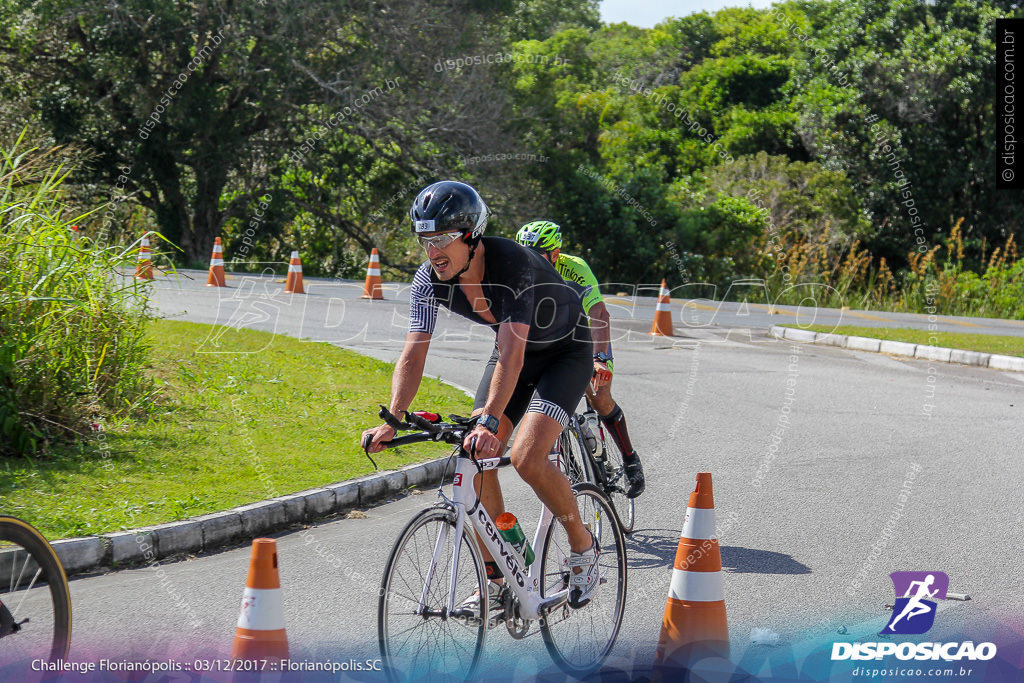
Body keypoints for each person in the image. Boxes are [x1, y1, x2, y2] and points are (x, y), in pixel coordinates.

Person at [361, 181, 600, 613]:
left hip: (566, 351)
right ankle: (501, 571)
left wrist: (490, 420)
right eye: (425, 240)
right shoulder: (427, 280)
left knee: (527, 457)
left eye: (442, 240)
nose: (432, 251)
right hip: (515, 354)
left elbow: (511, 352)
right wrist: (392, 420)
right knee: (473, 460)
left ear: (471, 236)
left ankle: (583, 545)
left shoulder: (514, 266)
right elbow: (413, 354)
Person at [515, 220, 645, 498]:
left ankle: (630, 457)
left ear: (555, 253)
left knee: (599, 396)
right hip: (548, 339)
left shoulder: (575, 268)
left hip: (585, 337)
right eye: (526, 253)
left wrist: (598, 358)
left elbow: (599, 315)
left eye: (538, 254)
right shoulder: (519, 269)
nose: (531, 260)